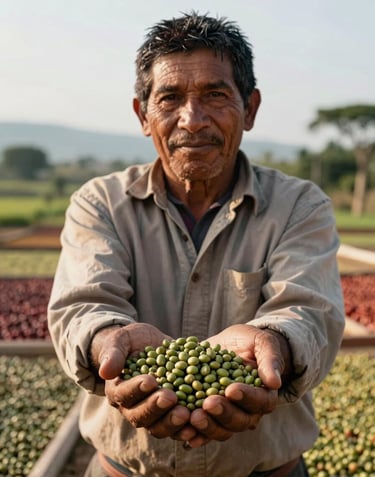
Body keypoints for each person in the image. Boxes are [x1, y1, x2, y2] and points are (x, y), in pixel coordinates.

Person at [47, 11, 345, 477]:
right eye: (169, 98)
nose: (193, 119)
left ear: (250, 108)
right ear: (143, 114)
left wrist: (274, 344)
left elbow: (310, 312)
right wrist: (109, 340)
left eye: (215, 95)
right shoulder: (101, 203)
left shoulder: (299, 206)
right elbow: (83, 305)